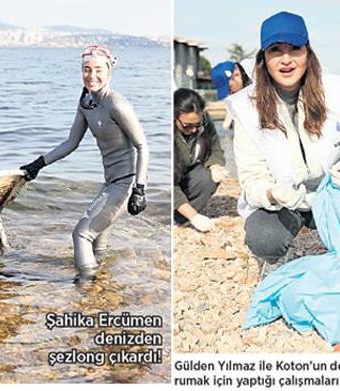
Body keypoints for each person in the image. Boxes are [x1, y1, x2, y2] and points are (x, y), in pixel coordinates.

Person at [228, 11, 340, 276]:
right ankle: (279, 260)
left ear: (308, 54)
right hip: (286, 202)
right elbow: (251, 180)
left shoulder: (333, 93)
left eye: (295, 49)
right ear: (263, 59)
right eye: (276, 50)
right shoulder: (246, 109)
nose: (286, 59)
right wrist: (272, 194)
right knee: (263, 238)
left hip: (331, 193)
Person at [19, 45, 149, 281]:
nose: (92, 76)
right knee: (98, 245)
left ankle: (87, 290)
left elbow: (142, 146)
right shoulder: (86, 103)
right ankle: (103, 290)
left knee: (81, 234)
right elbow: (71, 142)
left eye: (98, 69)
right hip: (109, 183)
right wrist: (38, 164)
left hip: (125, 183)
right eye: (86, 70)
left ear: (110, 70)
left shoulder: (117, 105)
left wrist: (139, 189)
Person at [173, 88, 227, 232]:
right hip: (174, 180)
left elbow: (215, 148)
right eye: (187, 126)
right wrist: (194, 217)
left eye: (197, 125)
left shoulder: (205, 121)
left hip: (190, 175)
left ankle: (181, 216)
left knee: (208, 178)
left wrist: (215, 165)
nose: (193, 130)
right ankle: (183, 213)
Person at [212, 60, 253, 129]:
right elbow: (226, 125)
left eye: (229, 88)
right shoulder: (235, 100)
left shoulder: (254, 98)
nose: (229, 92)